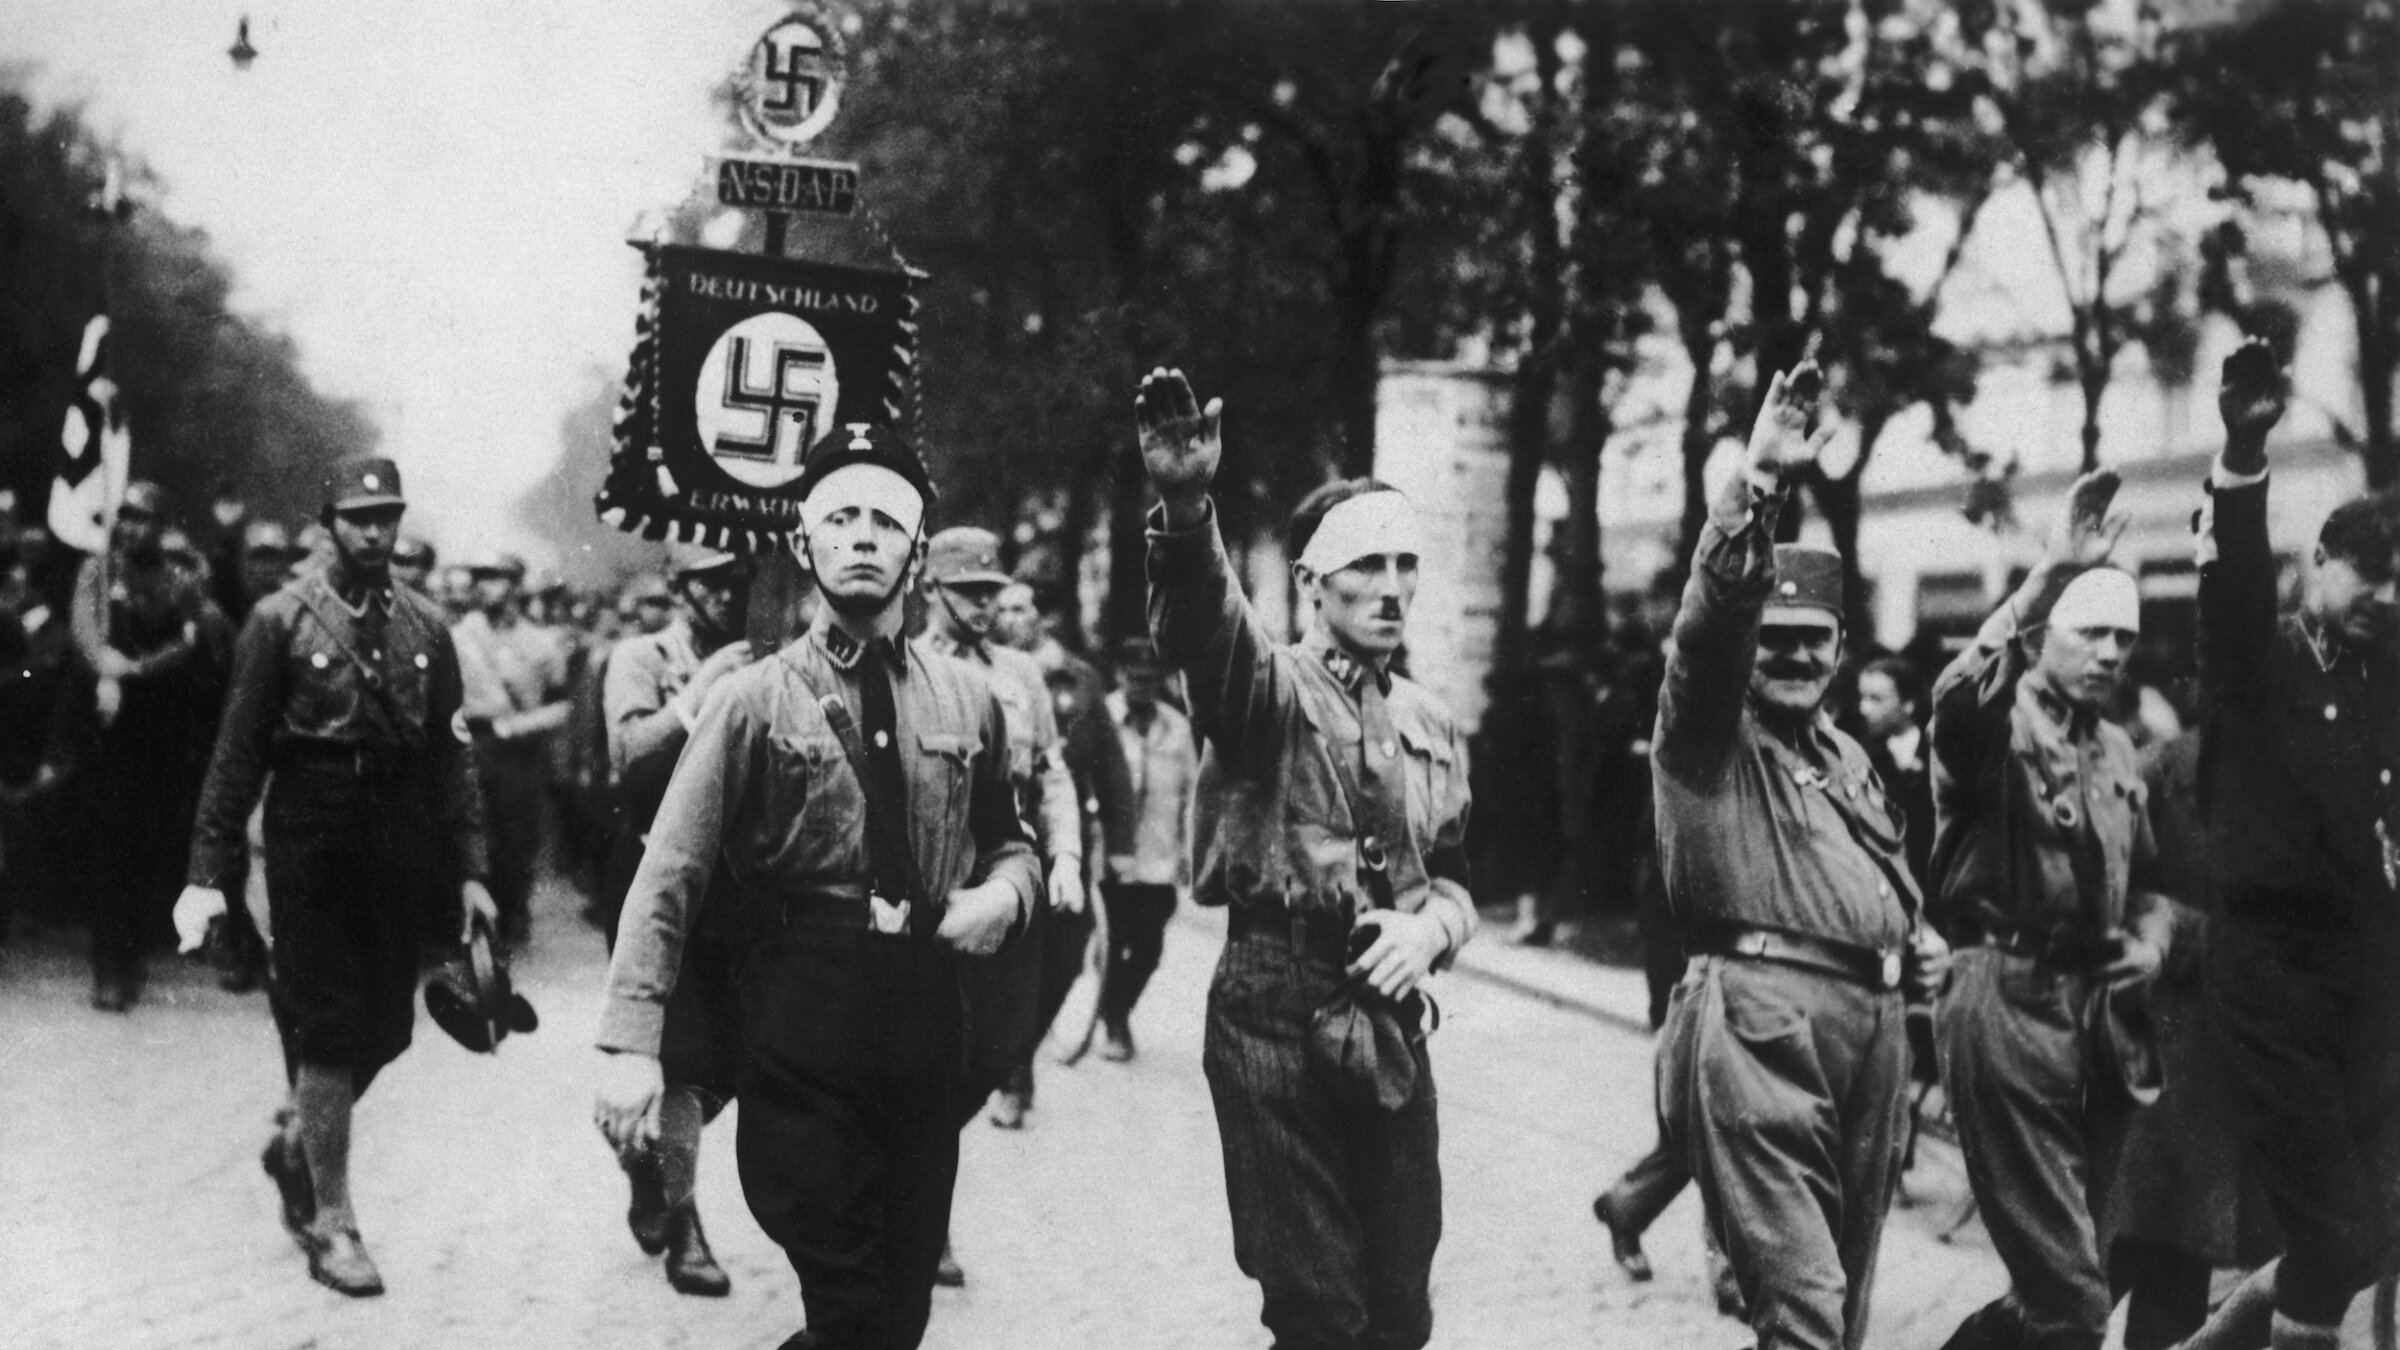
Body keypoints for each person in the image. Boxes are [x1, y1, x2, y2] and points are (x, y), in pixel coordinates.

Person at [594, 423, 1038, 1350]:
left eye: (887, 521)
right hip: (801, 1022)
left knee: (898, 1316)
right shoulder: (752, 698)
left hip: (924, 1020)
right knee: (849, 1304)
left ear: (917, 556)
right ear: (805, 544)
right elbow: (669, 870)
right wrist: (631, 1042)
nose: (864, 536)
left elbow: (1012, 843)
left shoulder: (970, 699)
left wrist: (1005, 895)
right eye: (841, 518)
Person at [1138, 368, 1477, 1350]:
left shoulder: (1429, 722)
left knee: (1401, 1310)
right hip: (1271, 1005)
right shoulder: (1266, 691)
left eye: (1405, 562)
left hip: (1389, 1011)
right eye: (1364, 566)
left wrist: (1429, 928)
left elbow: (1454, 876)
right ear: (1312, 584)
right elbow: (1207, 630)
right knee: (1320, 1309)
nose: (1390, 587)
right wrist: (1187, 504)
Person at [1649, 357, 1938, 1350]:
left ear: (1843, 649)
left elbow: (1875, 876)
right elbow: (1708, 631)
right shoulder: (1706, 737)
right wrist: (1761, 479)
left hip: (1872, 1031)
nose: (1796, 657)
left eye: (1816, 641)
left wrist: (1914, 936)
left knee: (1843, 1310)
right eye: (1774, 641)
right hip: (1764, 1023)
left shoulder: (1846, 756)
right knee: (1804, 1302)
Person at [172, 458, 497, 1297]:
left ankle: (295, 1144)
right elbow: (236, 752)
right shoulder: (280, 620)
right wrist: (207, 873)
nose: (375, 533)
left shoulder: (428, 627)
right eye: (359, 518)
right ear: (329, 524)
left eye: (387, 517)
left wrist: (471, 871)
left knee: (388, 1027)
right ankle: (334, 1219)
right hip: (309, 827)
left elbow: (452, 759)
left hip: (396, 835)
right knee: (328, 1024)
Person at [2173, 338, 2400, 1350]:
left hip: (2366, 975)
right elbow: (2226, 599)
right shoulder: (2260, 667)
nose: (2389, 599)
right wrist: (2240, 451)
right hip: (2270, 975)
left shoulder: (2386, 681)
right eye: (2373, 575)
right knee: (2340, 1230)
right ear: (2319, 563)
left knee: (2373, 1228)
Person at [1926, 469, 2175, 1350]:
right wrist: (2048, 574)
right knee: (2070, 1298)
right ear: (2043, 639)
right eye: (2091, 633)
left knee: (2069, 1291)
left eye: (2124, 638)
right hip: (2003, 995)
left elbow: (2148, 884)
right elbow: (1957, 704)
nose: (2111, 653)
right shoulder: (2000, 725)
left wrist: (2150, 942)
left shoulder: (2114, 747)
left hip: (2098, 1016)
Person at [595, 545, 754, 1298]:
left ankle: (647, 1157)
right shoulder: (640, 656)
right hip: (653, 875)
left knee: (734, 1055)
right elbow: (629, 756)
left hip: (739, 883)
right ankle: (685, 1221)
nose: (726, 593)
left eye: (736, 579)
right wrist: (700, 690)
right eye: (709, 582)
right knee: (684, 1055)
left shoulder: (764, 658)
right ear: (680, 588)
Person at [918, 527, 1086, 1135]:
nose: (985, 605)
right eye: (969, 592)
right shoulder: (911, 668)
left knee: (1026, 1004)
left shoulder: (1020, 674)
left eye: (992, 591)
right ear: (931, 588)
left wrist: (1065, 856)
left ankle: (1003, 1077)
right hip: (939, 873)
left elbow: (1051, 772)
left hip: (1011, 868)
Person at [72, 480, 229, 1011]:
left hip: (161, 724)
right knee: (109, 846)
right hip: (111, 727)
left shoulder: (179, 581)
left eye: (144, 518)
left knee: (149, 846)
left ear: (161, 526)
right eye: (127, 516)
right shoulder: (100, 570)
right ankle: (107, 967)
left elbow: (187, 644)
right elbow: (84, 629)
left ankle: (132, 957)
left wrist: (134, 670)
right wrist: (105, 669)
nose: (133, 527)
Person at [451, 552, 570, 947]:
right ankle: (477, 924)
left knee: (517, 842)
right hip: (470, 745)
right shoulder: (457, 635)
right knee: (473, 837)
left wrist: (521, 725)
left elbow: (561, 703)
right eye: (479, 577)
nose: (485, 586)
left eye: (496, 578)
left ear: (516, 585)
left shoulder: (541, 642)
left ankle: (513, 915)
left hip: (518, 754)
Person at [1095, 635, 1197, 1060]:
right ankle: (1115, 1022)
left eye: (1152, 680)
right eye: (1136, 679)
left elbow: (1192, 793)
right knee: (1114, 940)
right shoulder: (1099, 718)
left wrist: (1190, 851)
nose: (1143, 688)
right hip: (1109, 858)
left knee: (1149, 947)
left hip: (1158, 858)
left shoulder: (1177, 727)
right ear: (1120, 675)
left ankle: (1114, 1008)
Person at [1854, 653, 1933, 890]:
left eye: (1876, 699)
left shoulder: (1939, 752)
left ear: (1908, 703)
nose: (1864, 708)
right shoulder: (1860, 756)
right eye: (1862, 698)